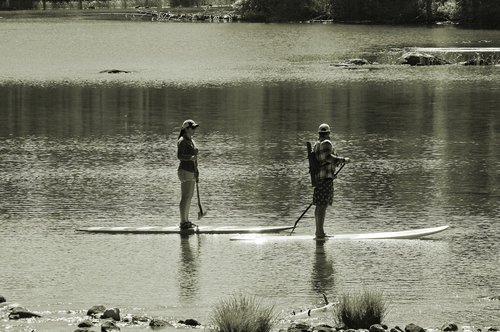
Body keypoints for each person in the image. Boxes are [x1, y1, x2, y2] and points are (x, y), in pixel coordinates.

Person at [312, 123, 350, 239]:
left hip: (319, 178)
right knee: (322, 205)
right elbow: (328, 157)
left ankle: (318, 232)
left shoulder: (316, 145)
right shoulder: (327, 143)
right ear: (328, 133)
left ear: (319, 133)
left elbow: (324, 160)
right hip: (325, 179)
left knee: (319, 205)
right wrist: (343, 160)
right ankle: (320, 233)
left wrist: (335, 164)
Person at [177, 119, 200, 230]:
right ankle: (183, 222)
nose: (194, 130)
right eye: (192, 128)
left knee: (189, 196)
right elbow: (179, 156)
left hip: (192, 171)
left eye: (194, 128)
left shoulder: (191, 141)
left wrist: (197, 171)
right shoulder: (182, 140)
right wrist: (190, 157)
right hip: (184, 171)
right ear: (186, 129)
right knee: (185, 196)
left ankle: (186, 221)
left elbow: (195, 159)